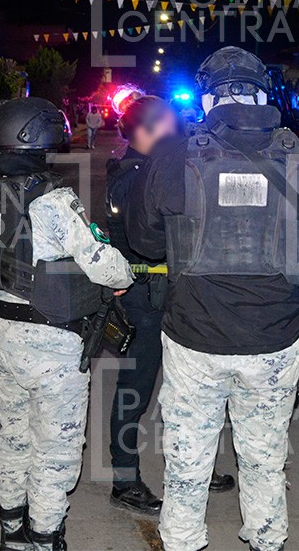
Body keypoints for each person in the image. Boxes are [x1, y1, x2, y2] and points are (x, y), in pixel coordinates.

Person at [127, 46, 299, 551]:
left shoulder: (173, 155)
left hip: (194, 340)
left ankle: (183, 543)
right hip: (273, 340)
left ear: (207, 99)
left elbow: (144, 242)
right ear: (264, 93)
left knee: (187, 463)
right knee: (265, 460)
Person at [0, 97, 135, 550]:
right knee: (55, 451)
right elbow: (101, 265)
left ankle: (11, 532)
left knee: (14, 437)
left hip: (4, 339)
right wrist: (125, 274)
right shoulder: (53, 198)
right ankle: (45, 537)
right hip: (53, 346)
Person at [104, 96, 234, 516]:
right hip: (145, 297)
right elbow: (144, 238)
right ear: (139, 133)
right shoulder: (131, 176)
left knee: (190, 390)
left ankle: (195, 468)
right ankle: (124, 480)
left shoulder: (160, 166)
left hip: (175, 294)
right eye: (161, 126)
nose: (171, 132)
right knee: (135, 392)